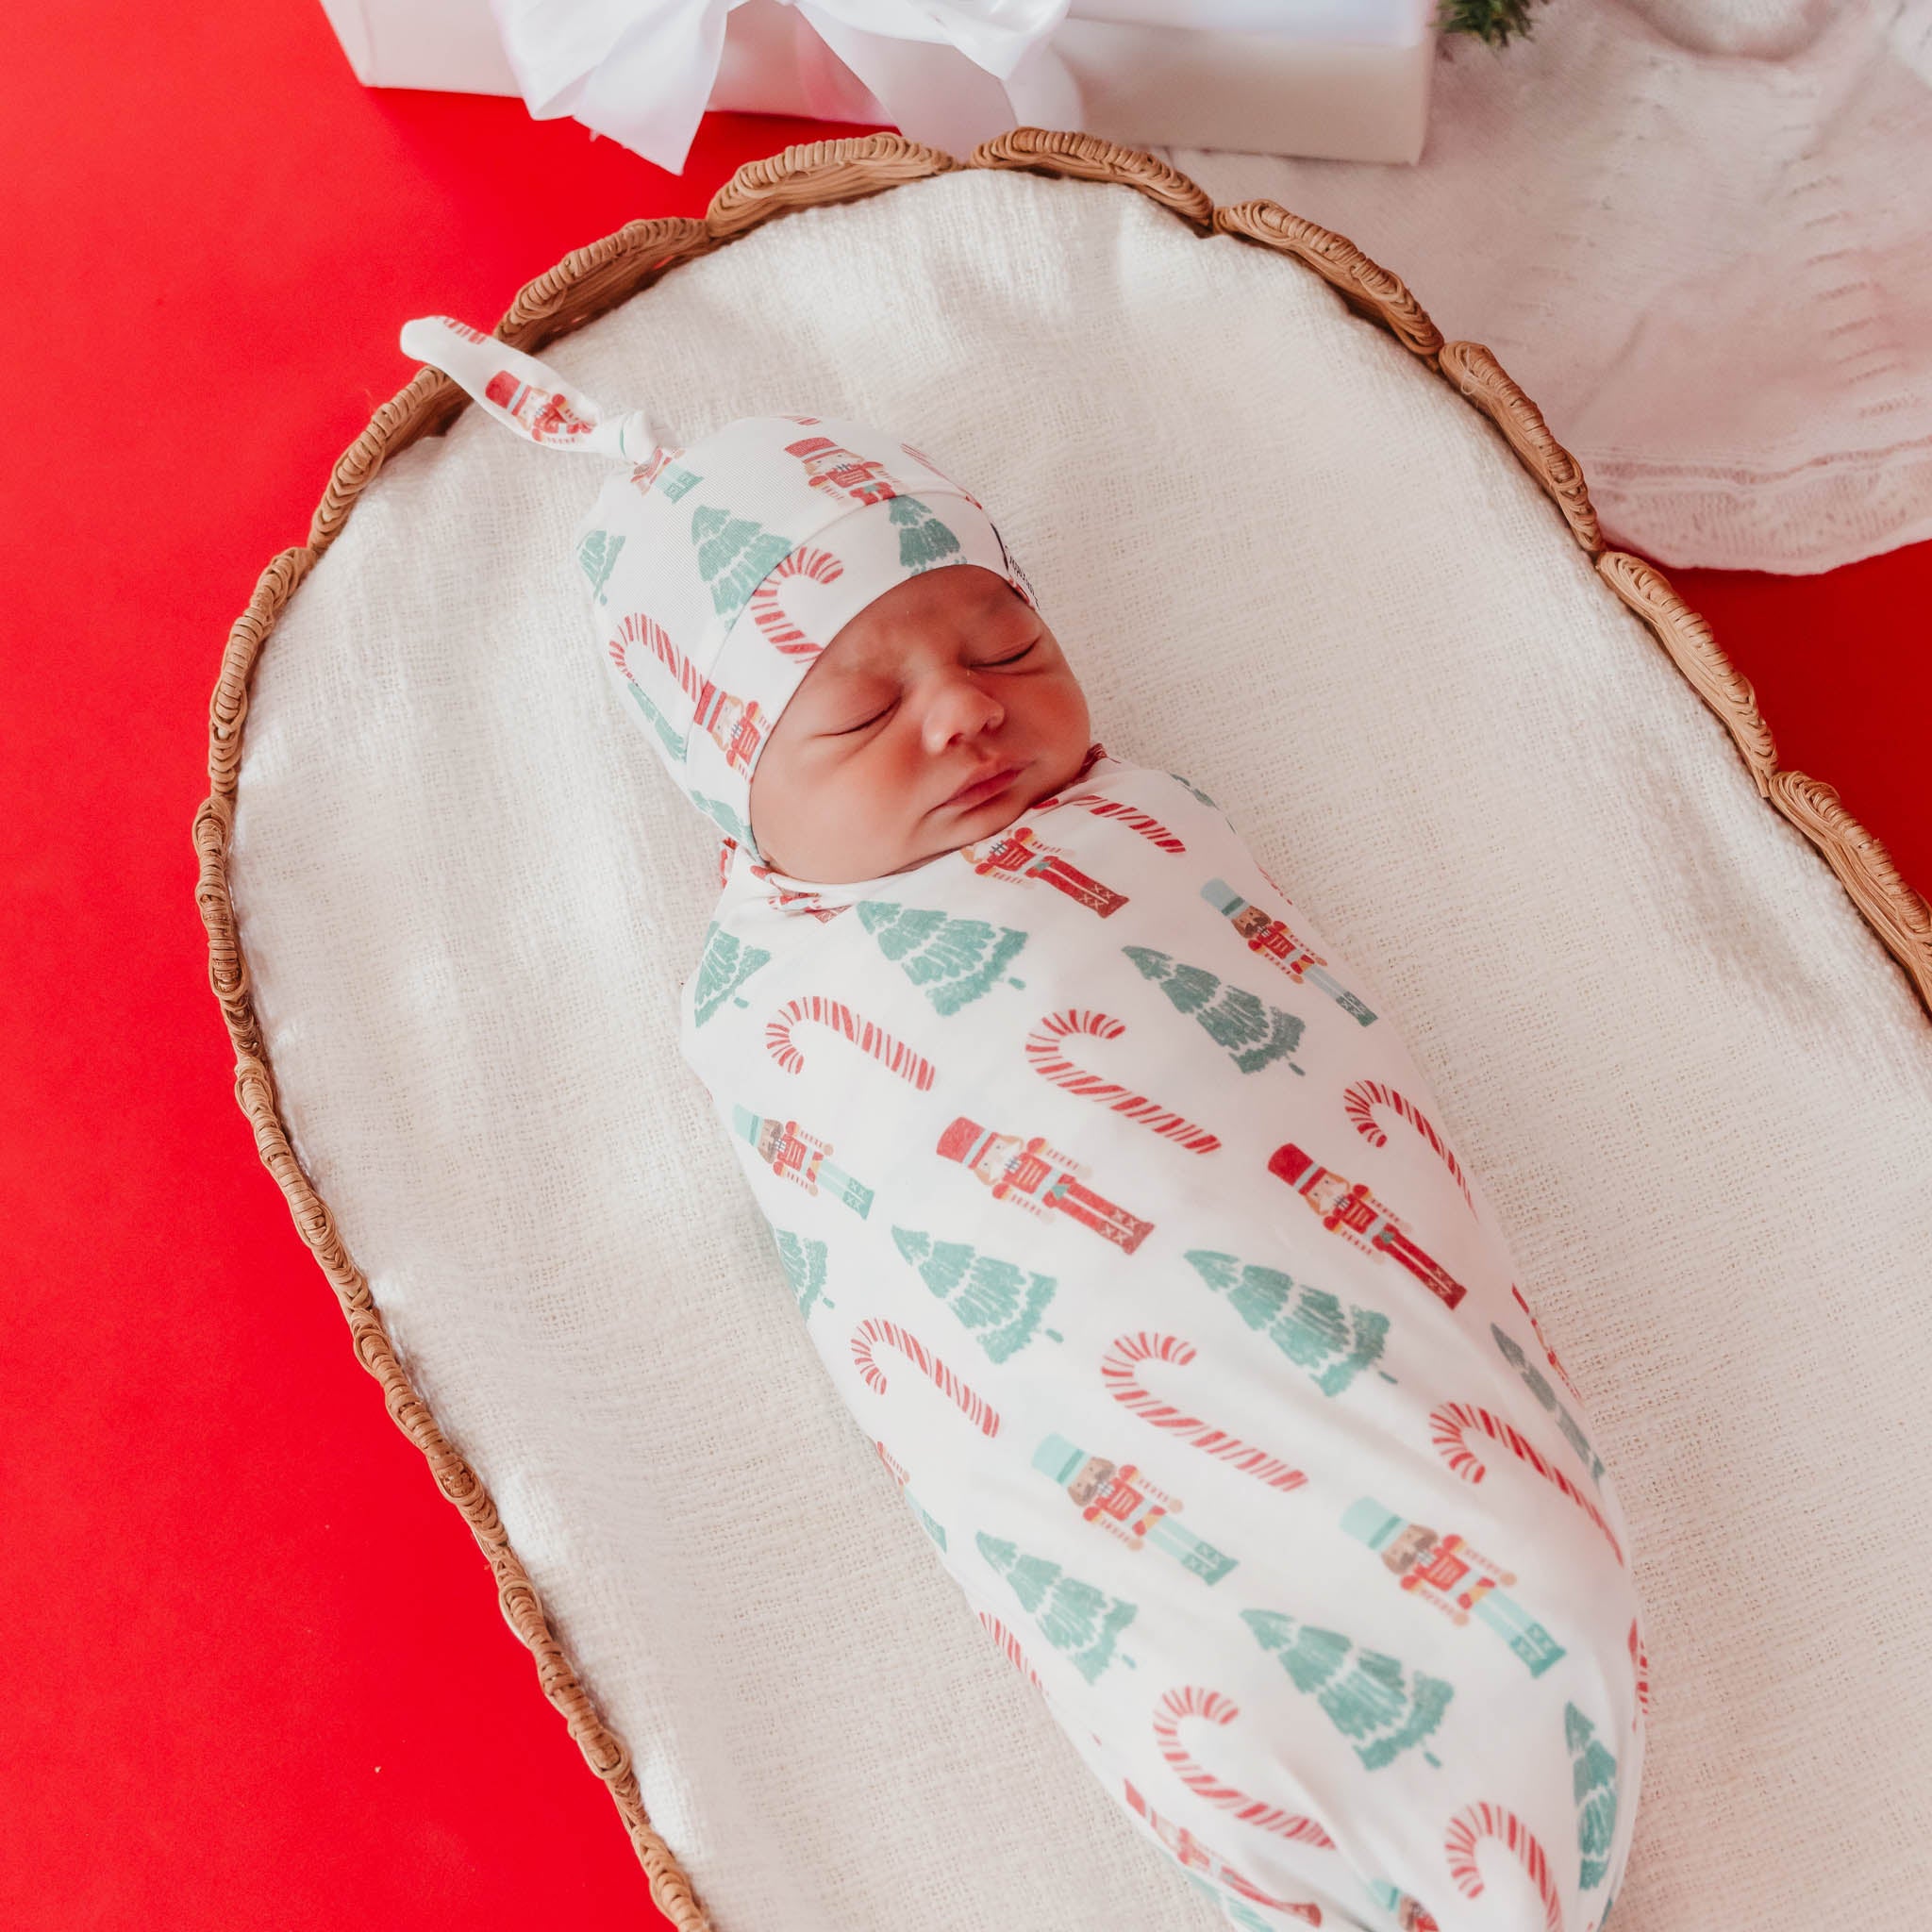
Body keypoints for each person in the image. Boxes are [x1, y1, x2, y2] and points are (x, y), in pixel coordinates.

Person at [403, 314, 1649, 1932]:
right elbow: (884, 1274)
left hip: (1336, 1298)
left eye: (1005, 652)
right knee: (1211, 1684)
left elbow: (1328, 1064)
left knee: (1529, 1560)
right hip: (1089, 1393)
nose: (964, 714)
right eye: (861, 711)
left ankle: (1530, 1744)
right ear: (727, 785)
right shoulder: (775, 993)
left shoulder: (1152, 824)